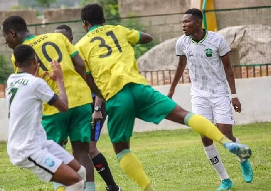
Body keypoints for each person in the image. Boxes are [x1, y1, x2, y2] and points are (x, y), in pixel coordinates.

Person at [75, 3, 252, 191]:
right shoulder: (118, 30)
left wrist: (100, 93)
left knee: (122, 150)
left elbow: (86, 78)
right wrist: (130, 39)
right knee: (184, 115)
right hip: (140, 88)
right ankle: (226, 149)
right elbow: (147, 38)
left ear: (85, 24)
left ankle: (149, 189)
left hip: (116, 97)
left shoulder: (81, 46)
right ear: (104, 20)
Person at [2, 16, 95, 191]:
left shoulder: (19, 59)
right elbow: (80, 64)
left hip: (53, 108)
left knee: (56, 157)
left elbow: (27, 85)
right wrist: (78, 84)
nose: (5, 41)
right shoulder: (58, 37)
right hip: (81, 99)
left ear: (13, 33)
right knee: (82, 153)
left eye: (5, 36)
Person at [167, 8, 253, 191]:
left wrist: (234, 96)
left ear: (198, 23)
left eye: (187, 22)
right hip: (199, 94)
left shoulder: (217, 40)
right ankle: (225, 180)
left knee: (225, 134)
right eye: (182, 22)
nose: (183, 25)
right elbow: (181, 66)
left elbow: (229, 69)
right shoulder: (182, 42)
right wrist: (172, 90)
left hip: (219, 92)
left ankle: (242, 157)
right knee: (205, 136)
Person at [54, 24, 122, 191]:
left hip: (93, 106)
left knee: (90, 149)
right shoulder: (59, 61)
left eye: (61, 38)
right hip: (76, 108)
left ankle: (111, 186)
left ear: (70, 39)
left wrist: (97, 109)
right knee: (76, 150)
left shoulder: (81, 54)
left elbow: (99, 81)